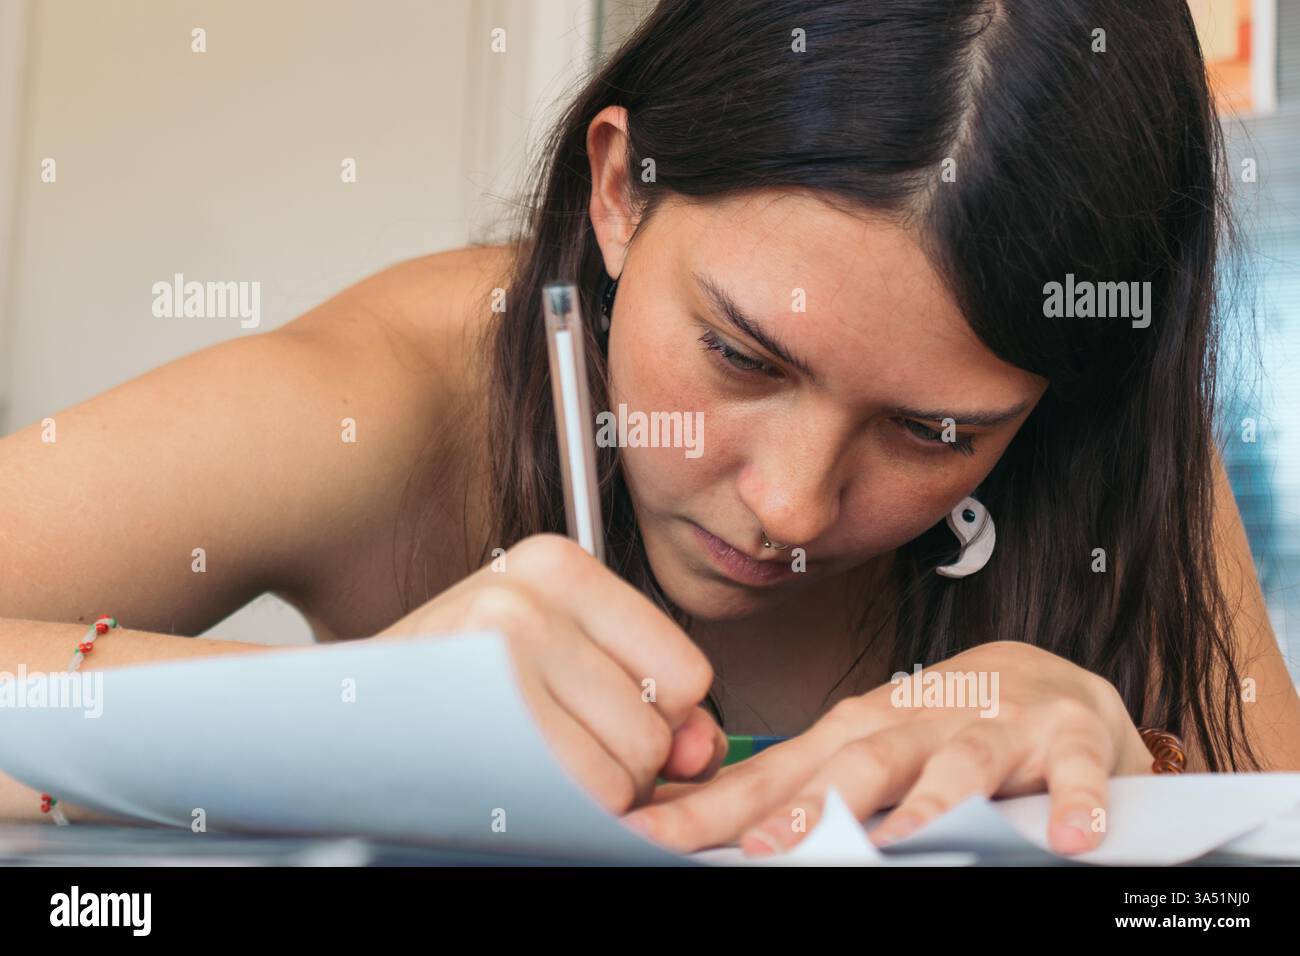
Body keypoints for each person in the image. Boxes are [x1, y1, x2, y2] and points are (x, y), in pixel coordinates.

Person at [1, 0, 1297, 857]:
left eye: (935, 433)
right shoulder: (391, 398)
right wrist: (340, 712)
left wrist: (1131, 772)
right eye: (740, 355)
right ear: (621, 192)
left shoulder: (1106, 447)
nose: (789, 508)